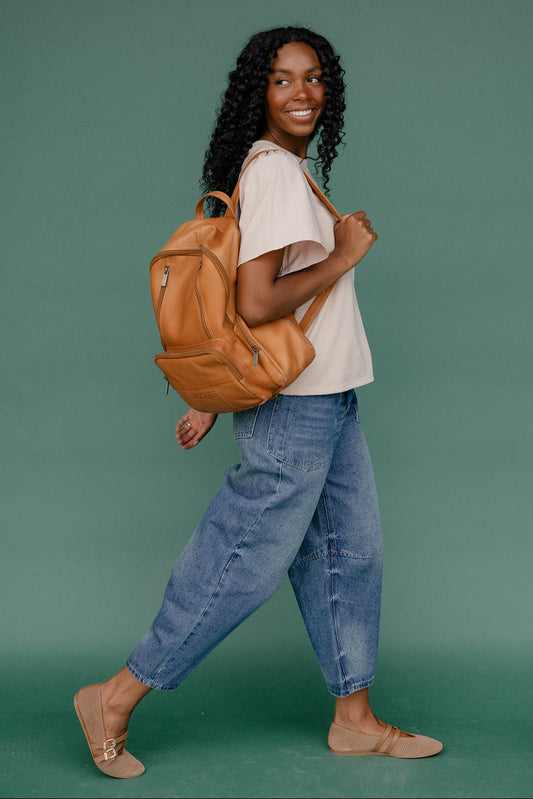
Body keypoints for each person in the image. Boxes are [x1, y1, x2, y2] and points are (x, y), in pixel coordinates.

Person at [74, 26, 443, 779]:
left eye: (312, 78)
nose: (301, 92)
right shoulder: (272, 171)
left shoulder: (286, 173)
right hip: (297, 408)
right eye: (282, 80)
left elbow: (238, 314)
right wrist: (342, 255)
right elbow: (255, 294)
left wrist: (214, 396)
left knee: (349, 555)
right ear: (259, 94)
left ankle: (354, 719)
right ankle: (114, 694)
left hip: (326, 397)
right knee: (240, 559)